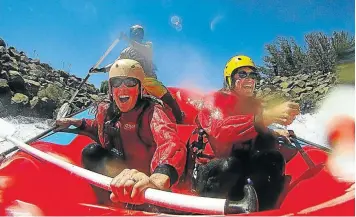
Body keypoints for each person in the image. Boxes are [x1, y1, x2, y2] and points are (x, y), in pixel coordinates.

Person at [56, 59, 187, 207]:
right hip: (121, 172)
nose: (122, 88)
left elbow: (170, 142)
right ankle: (108, 204)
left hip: (145, 181)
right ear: (111, 89)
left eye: (130, 82)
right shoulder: (107, 111)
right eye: (117, 82)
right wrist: (79, 123)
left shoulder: (151, 112)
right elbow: (99, 128)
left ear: (140, 89)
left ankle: (139, 204)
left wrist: (160, 176)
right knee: (91, 152)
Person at [188, 55, 300, 211]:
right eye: (242, 74)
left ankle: (266, 211)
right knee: (229, 165)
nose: (249, 79)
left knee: (273, 158)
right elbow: (221, 129)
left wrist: (276, 133)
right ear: (230, 79)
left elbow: (253, 128)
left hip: (240, 168)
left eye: (252, 75)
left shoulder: (254, 106)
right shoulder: (214, 100)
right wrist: (264, 118)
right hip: (213, 170)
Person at [92, 24, 184, 124]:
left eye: (140, 33)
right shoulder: (126, 51)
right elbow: (116, 64)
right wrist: (100, 70)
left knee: (167, 97)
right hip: (131, 80)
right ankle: (113, 120)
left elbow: (142, 49)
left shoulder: (147, 46)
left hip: (147, 79)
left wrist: (126, 39)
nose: (138, 35)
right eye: (136, 33)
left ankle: (179, 117)